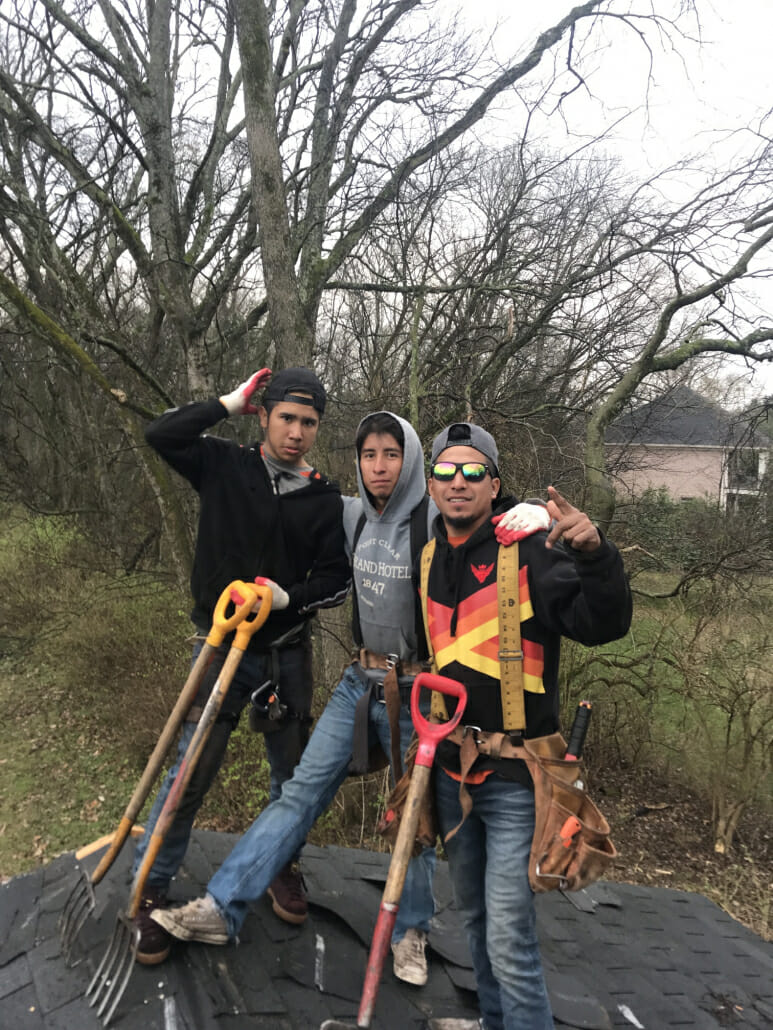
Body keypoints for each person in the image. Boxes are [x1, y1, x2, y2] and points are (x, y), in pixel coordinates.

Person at [151, 412, 549, 983]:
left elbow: (483, 503)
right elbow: (294, 526)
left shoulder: (436, 514)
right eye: (369, 455)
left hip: (422, 691)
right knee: (298, 794)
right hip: (358, 682)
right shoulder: (351, 513)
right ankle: (222, 905)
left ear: (411, 459)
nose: (380, 466)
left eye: (391, 454)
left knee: (414, 818)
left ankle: (411, 931)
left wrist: (529, 509)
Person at [133, 367, 350, 965]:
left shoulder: (325, 497)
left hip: (285, 657)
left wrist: (287, 598)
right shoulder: (225, 466)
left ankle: (281, 865)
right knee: (190, 771)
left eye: (309, 422)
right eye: (287, 418)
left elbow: (335, 579)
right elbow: (161, 435)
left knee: (292, 779)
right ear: (264, 416)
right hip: (220, 646)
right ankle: (151, 881)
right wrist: (225, 402)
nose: (298, 432)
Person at [422, 422, 632, 1030]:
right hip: (451, 773)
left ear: (494, 485)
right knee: (474, 922)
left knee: (510, 936)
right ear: (430, 484)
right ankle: (493, 1021)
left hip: (519, 779)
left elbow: (602, 623)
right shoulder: (429, 554)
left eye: (472, 472)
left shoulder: (532, 550)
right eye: (444, 472)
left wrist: (593, 553)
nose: (457, 483)